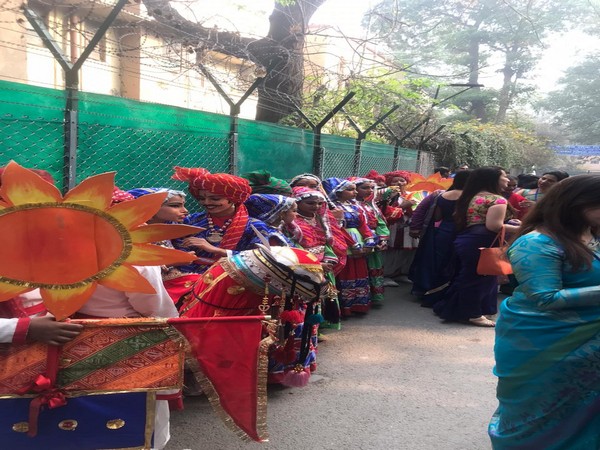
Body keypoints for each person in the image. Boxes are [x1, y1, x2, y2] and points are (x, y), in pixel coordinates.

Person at [489, 175, 600, 449]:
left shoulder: (589, 235)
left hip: (588, 346)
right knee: (538, 414)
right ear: (578, 204)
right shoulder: (536, 243)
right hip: (543, 344)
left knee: (586, 413)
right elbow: (545, 297)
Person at [432, 167, 520, 327]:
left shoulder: (469, 197)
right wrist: (521, 228)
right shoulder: (497, 200)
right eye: (504, 176)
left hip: (467, 238)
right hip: (483, 241)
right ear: (493, 179)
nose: (507, 180)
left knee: (468, 276)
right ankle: (473, 314)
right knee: (479, 279)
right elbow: (494, 226)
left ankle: (456, 310)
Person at [171, 166, 273, 272]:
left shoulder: (254, 226)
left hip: (236, 279)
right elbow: (180, 250)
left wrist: (215, 250)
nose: (206, 202)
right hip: (192, 278)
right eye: (201, 198)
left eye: (215, 199)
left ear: (233, 199)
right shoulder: (190, 221)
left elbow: (260, 257)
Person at [408, 170, 470, 306]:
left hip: (442, 232)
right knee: (456, 262)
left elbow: (437, 217)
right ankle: (449, 294)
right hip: (463, 232)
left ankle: (428, 290)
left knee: (435, 261)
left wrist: (416, 227)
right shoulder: (471, 198)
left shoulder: (441, 195)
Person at [127, 187, 196, 304]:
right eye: (175, 206)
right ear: (150, 208)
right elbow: (136, 267)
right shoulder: (132, 233)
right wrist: (175, 260)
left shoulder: (168, 226)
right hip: (154, 286)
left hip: (176, 279)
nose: (185, 210)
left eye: (183, 205)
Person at [323, 178, 376, 316]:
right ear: (338, 192)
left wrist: (369, 239)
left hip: (358, 240)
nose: (354, 192)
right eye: (350, 189)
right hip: (343, 242)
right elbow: (337, 229)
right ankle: (346, 307)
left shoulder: (355, 207)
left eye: (354, 189)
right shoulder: (333, 209)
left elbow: (363, 224)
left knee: (360, 270)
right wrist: (353, 244)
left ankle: (359, 304)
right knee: (346, 272)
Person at [353, 177, 390, 306]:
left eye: (371, 188)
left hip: (375, 242)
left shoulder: (370, 206)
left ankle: (374, 296)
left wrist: (382, 239)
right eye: (364, 188)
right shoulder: (348, 206)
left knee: (374, 267)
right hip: (358, 242)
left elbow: (380, 224)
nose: (369, 190)